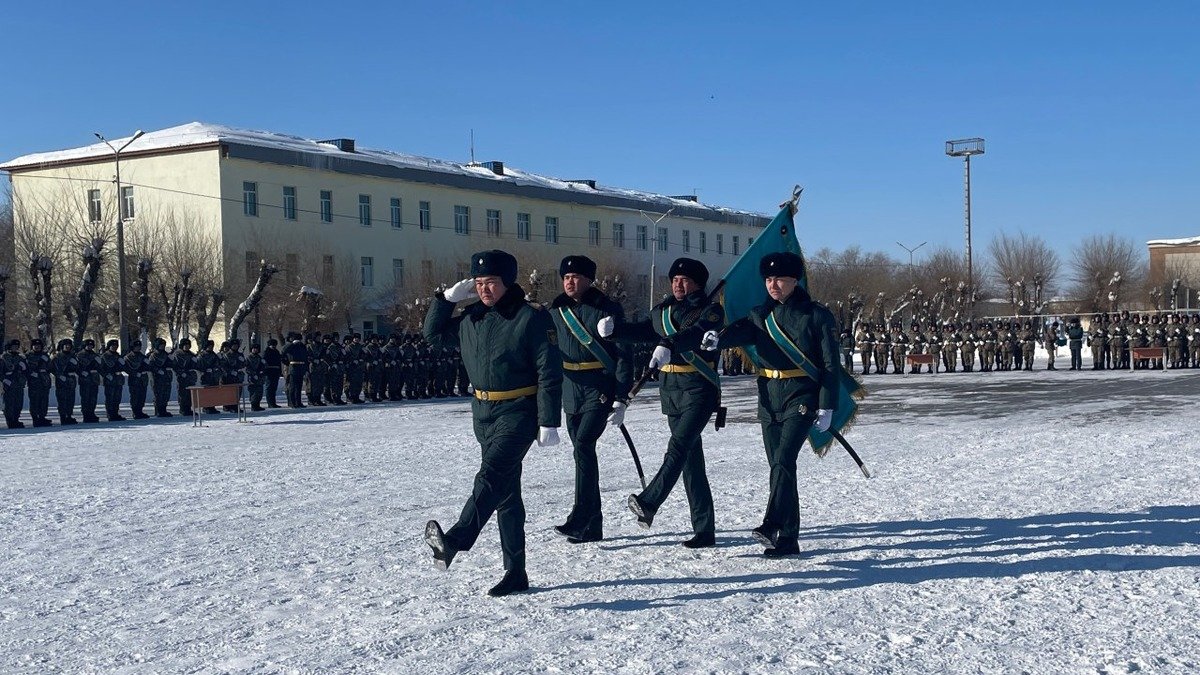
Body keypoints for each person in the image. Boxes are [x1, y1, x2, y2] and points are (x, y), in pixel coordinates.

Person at [422, 249, 563, 597]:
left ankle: (455, 540)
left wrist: (548, 420)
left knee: (490, 475)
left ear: (508, 282)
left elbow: (549, 370)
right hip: (483, 413)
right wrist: (444, 300)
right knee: (505, 494)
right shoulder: (472, 319)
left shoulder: (530, 318)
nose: (485, 290)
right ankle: (516, 572)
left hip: (519, 411)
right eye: (480, 283)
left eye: (492, 283)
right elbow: (433, 335)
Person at [702, 252, 842, 556]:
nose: (773, 284)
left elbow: (831, 366)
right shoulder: (760, 315)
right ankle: (789, 539)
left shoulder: (817, 316)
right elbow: (741, 331)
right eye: (768, 279)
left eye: (779, 278)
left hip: (802, 396)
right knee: (781, 467)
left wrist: (828, 405)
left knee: (782, 460)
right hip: (769, 398)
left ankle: (770, 524)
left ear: (795, 280)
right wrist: (718, 338)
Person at [600, 257, 724, 548]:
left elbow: (695, 334)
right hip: (671, 391)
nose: (678, 284)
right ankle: (704, 530)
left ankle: (649, 501)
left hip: (699, 388)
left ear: (697, 283)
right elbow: (644, 331)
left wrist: (670, 344)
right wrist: (615, 330)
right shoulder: (663, 311)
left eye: (685, 280)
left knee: (678, 448)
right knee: (691, 462)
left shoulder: (711, 311)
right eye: (674, 280)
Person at [548, 255, 633, 544]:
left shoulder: (606, 308)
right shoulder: (557, 309)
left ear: (589, 280)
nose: (570, 282)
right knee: (582, 454)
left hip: (599, 387)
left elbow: (623, 355)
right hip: (570, 389)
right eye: (566, 277)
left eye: (576, 277)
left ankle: (579, 516)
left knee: (583, 446)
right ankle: (592, 526)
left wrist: (621, 397)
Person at [50, 338, 79, 424]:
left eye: (69, 345)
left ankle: (69, 415)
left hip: (71, 380)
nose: (67, 347)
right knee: (62, 399)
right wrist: (59, 376)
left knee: (71, 399)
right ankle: (63, 417)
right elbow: (51, 368)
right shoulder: (57, 357)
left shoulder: (73, 356)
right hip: (61, 381)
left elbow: (78, 368)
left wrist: (76, 364)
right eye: (65, 345)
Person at [25, 338, 53, 427]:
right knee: (34, 401)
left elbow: (50, 367)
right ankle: (35, 418)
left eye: (39, 346)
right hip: (34, 382)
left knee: (44, 400)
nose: (37, 347)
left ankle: (42, 417)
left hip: (44, 381)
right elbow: (24, 369)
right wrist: (31, 373)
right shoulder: (28, 356)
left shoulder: (45, 356)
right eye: (35, 345)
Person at [2, 339, 28, 428]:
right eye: (13, 346)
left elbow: (25, 371)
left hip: (19, 383)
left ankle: (16, 419)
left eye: (16, 347)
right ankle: (10, 420)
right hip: (9, 383)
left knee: (18, 402)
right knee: (9, 403)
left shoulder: (20, 358)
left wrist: (24, 368)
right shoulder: (4, 358)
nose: (15, 348)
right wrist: (4, 380)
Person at [100, 339, 127, 421]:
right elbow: (101, 368)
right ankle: (110, 414)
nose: (115, 347)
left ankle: (115, 413)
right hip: (110, 380)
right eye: (113, 346)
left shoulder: (118, 356)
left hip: (118, 379)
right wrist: (106, 375)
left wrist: (123, 364)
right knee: (110, 398)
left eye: (116, 346)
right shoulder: (105, 356)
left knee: (117, 398)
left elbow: (123, 367)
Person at [147, 338, 174, 417]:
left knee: (166, 394)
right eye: (161, 345)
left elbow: (172, 363)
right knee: (158, 394)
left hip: (166, 377)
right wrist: (158, 370)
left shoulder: (166, 354)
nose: (162, 347)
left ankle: (163, 409)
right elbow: (151, 366)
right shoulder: (153, 355)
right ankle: (158, 410)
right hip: (157, 378)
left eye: (163, 345)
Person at [77, 338, 102, 423]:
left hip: (94, 379)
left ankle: (92, 413)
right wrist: (82, 372)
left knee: (93, 398)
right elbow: (77, 367)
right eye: (88, 345)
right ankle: (86, 414)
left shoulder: (95, 355)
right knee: (85, 398)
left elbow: (100, 367)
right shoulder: (80, 355)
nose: (90, 347)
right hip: (85, 380)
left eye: (91, 345)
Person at [124, 340, 150, 419]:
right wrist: (135, 373)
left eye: (139, 346)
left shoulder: (142, 356)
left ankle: (140, 411)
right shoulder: (128, 357)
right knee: (135, 396)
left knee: (142, 396)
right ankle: (135, 412)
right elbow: (127, 368)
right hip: (134, 380)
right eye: (136, 346)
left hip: (143, 379)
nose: (138, 348)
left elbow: (148, 365)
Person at [283, 333, 309, 409]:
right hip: (293, 367)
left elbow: (305, 358)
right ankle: (292, 402)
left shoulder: (302, 346)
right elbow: (283, 350)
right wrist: (292, 343)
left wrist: (306, 369)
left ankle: (298, 402)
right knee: (292, 386)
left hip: (301, 367)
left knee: (299, 386)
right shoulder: (291, 346)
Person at [172, 338, 197, 417]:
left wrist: (195, 361)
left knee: (190, 394)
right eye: (185, 345)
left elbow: (196, 365)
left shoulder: (191, 354)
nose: (186, 347)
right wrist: (181, 373)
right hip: (182, 377)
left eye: (188, 345)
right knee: (183, 394)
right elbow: (175, 366)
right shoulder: (178, 354)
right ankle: (183, 409)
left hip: (190, 377)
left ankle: (188, 408)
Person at [263, 338, 283, 408]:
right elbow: (264, 362)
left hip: (276, 371)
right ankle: (270, 403)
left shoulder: (276, 351)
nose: (273, 346)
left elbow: (279, 362)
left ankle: (273, 402)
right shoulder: (266, 352)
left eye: (274, 345)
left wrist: (280, 371)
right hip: (269, 371)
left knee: (274, 388)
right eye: (272, 345)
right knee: (269, 388)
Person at [246, 343, 266, 411]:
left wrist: (262, 369)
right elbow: (248, 368)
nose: (255, 350)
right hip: (252, 377)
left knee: (259, 391)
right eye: (254, 349)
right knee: (253, 391)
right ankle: (253, 405)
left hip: (259, 377)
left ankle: (257, 404)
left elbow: (264, 366)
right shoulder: (249, 357)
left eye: (256, 349)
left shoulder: (260, 357)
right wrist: (253, 374)